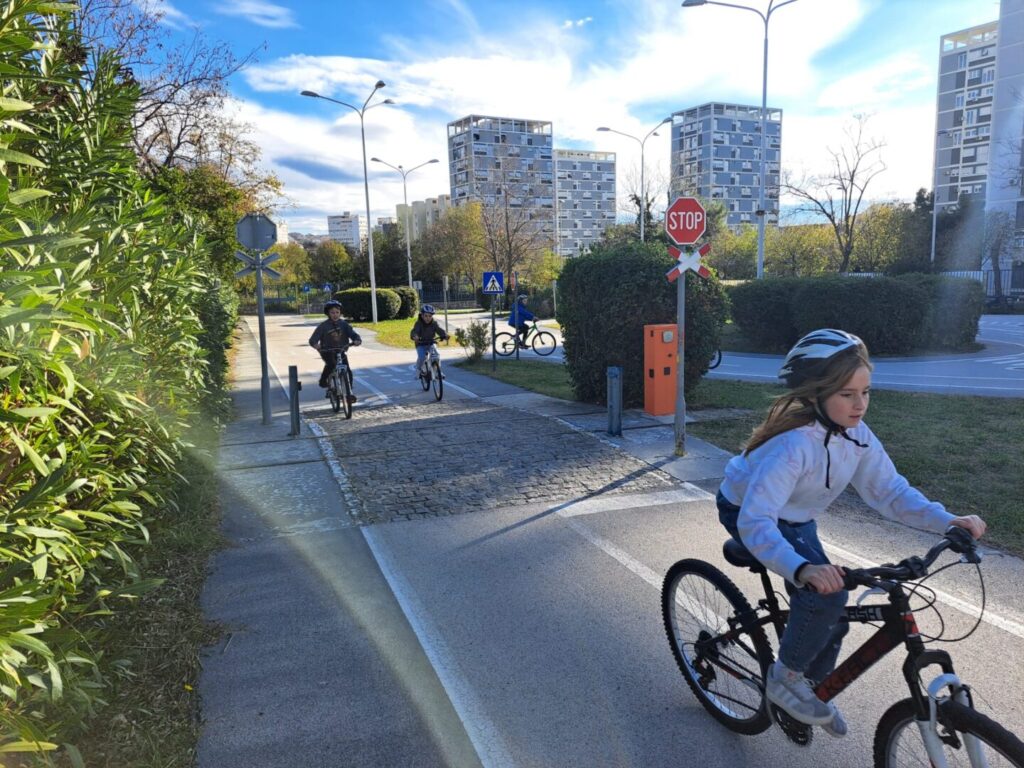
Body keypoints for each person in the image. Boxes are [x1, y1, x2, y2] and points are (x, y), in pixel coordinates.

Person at [716, 328, 986, 738]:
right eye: (847, 394)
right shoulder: (791, 447)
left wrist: (947, 520)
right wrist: (802, 569)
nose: (860, 404)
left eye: (866, 392)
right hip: (747, 511)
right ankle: (784, 679)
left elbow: (890, 491)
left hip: (796, 516)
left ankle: (814, 691)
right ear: (816, 395)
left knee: (832, 612)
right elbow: (756, 522)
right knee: (825, 595)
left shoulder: (855, 434)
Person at [308, 300, 362, 402]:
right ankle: (323, 380)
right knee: (331, 364)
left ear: (340, 312)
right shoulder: (323, 326)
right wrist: (316, 345)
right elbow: (313, 340)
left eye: (337, 312)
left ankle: (349, 393)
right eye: (332, 312)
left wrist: (357, 340)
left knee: (347, 370)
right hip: (327, 350)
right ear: (328, 313)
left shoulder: (344, 324)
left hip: (341, 350)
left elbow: (353, 334)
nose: (335, 315)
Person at [410, 304, 449, 376]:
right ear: (422, 316)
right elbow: (414, 331)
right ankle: (418, 369)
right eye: (426, 316)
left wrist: (444, 335)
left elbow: (439, 330)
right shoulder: (418, 324)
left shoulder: (434, 323)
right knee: (422, 357)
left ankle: (437, 371)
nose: (428, 318)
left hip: (431, 342)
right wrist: (415, 336)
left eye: (430, 316)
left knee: (436, 356)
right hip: (421, 344)